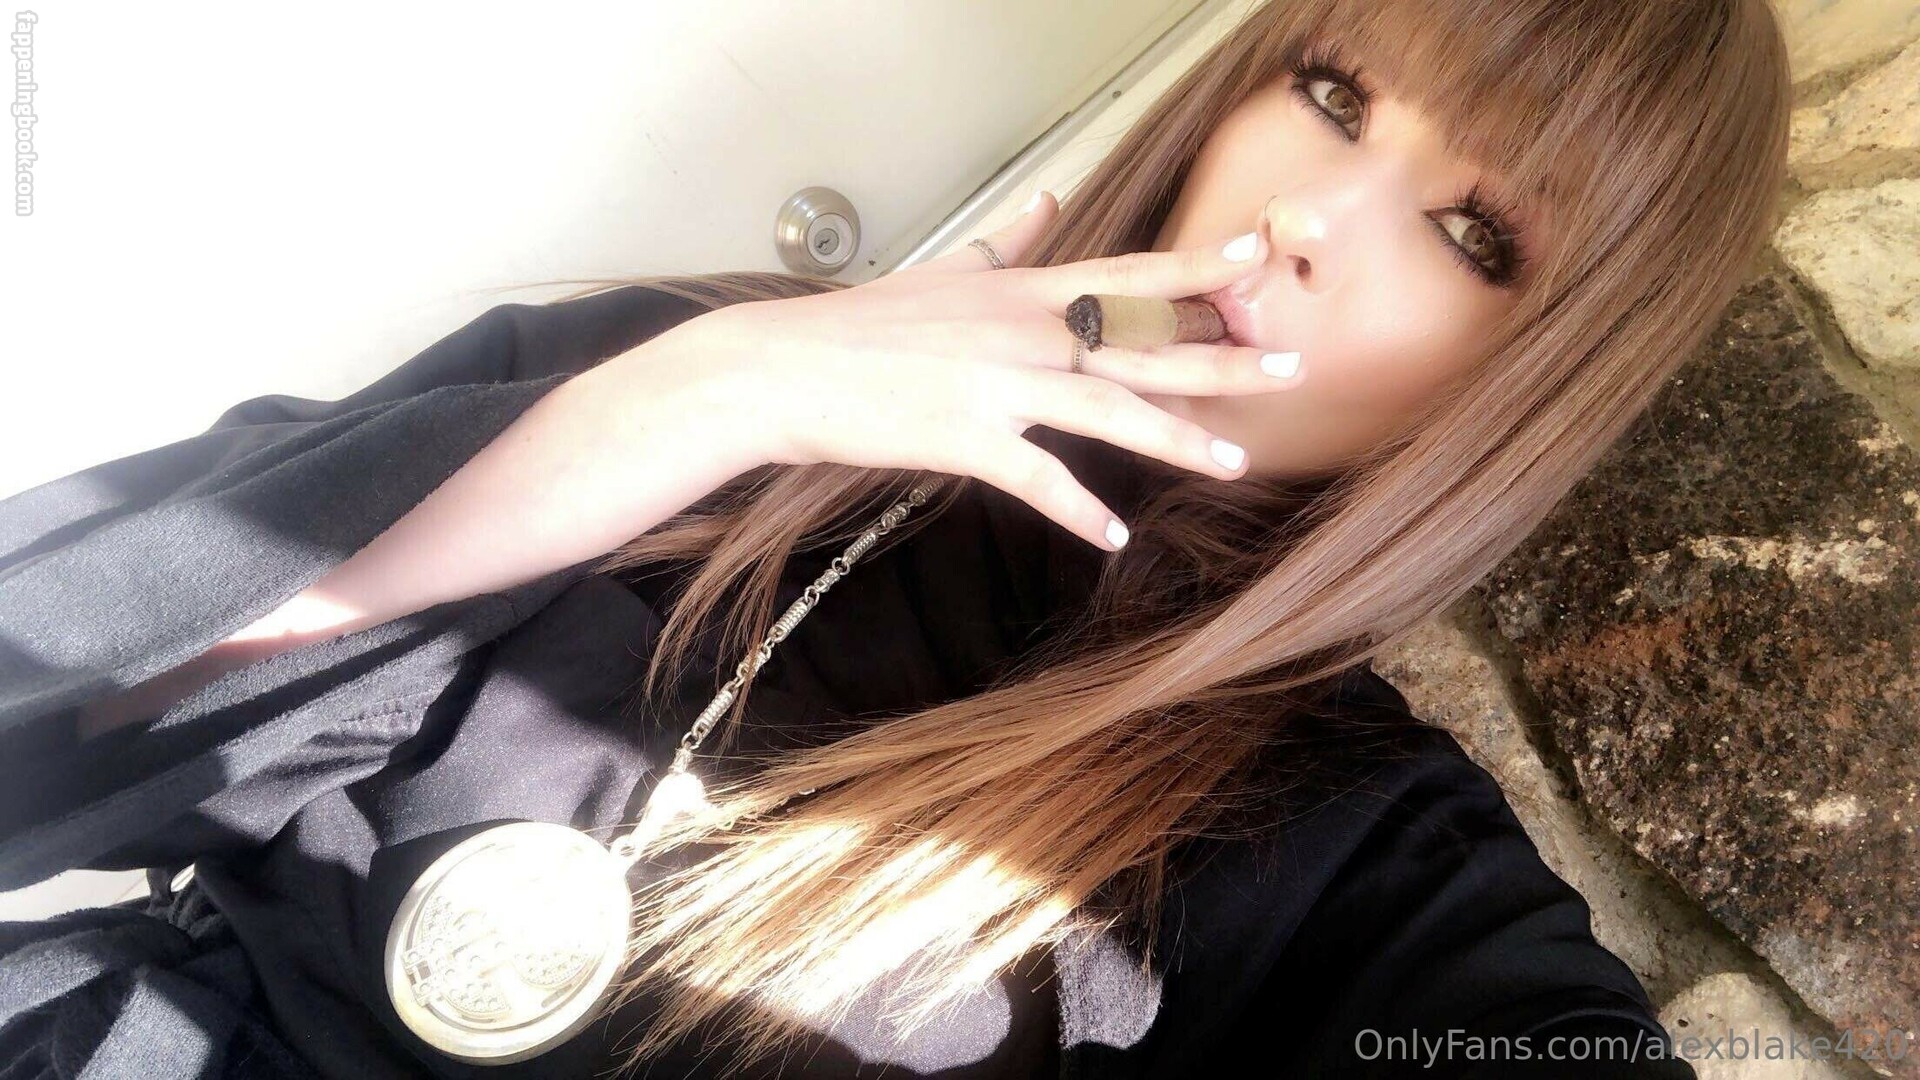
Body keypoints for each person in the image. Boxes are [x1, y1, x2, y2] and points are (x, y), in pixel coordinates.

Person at [0, 0, 1789, 1075]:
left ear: (1536, 378)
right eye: (1333, 89)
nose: (1310, 215)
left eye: (1476, 234)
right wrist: (683, 406)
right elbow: (48, 694)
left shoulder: (1350, 841)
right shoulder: (703, 373)